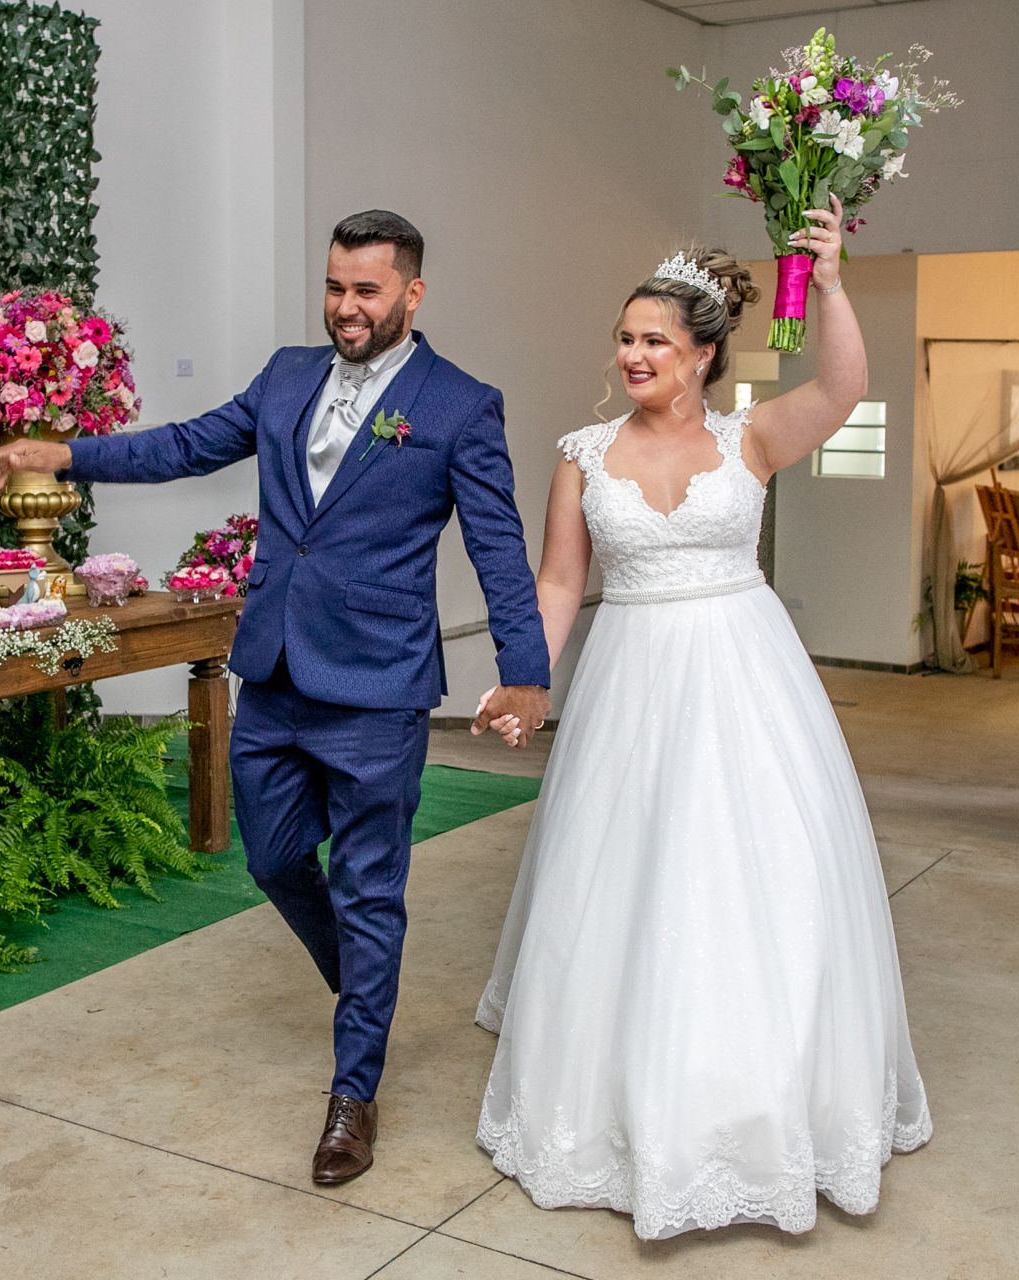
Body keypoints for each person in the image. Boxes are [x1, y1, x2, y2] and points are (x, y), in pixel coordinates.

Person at [0, 210, 551, 1186]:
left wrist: (526, 667)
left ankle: (352, 1093)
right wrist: (61, 454)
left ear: (412, 294)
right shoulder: (286, 375)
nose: (346, 306)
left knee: (372, 887)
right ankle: (365, 981)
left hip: (378, 687)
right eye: (335, 286)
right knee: (275, 854)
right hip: (276, 671)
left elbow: (497, 543)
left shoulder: (459, 405)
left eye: (367, 290)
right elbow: (185, 444)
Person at [471, 197, 932, 1238]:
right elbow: (556, 583)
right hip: (631, 681)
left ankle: (766, 1099)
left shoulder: (754, 437)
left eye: (654, 341)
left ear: (704, 355)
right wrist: (522, 678)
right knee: (632, 886)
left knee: (759, 875)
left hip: (746, 675)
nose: (633, 354)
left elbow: (849, 385)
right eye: (625, 338)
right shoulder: (582, 455)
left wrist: (837, 281)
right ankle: (627, 1105)